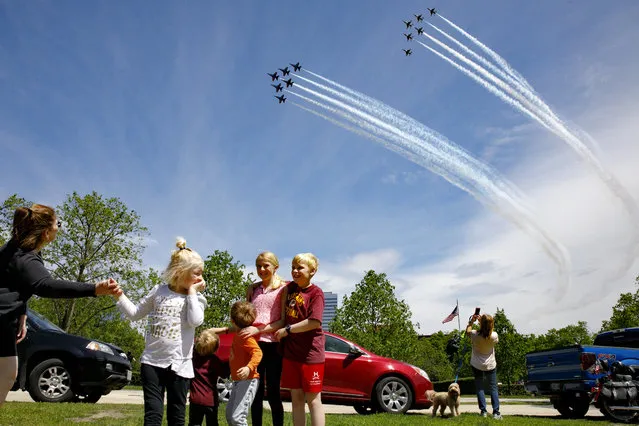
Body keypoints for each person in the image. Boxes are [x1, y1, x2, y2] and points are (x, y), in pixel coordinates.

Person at [0, 204, 120, 406]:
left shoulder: (16, 249)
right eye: (58, 224)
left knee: (7, 374)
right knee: (5, 375)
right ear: (46, 232)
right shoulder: (25, 258)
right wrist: (94, 289)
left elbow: (15, 284)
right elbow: (45, 286)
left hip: (5, 321)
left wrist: (22, 313)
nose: (59, 227)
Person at [114, 238, 207, 426]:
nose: (200, 279)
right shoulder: (158, 291)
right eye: (196, 274)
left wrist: (192, 293)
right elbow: (135, 314)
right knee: (153, 415)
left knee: (176, 417)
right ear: (180, 272)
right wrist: (119, 295)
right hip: (152, 362)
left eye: (201, 274)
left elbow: (195, 320)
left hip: (180, 366)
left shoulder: (197, 299)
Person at [274, 253, 325, 426]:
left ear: (313, 271)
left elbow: (314, 322)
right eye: (293, 268)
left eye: (300, 268)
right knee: (296, 400)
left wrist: (287, 330)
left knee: (313, 400)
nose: (295, 271)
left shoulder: (316, 293)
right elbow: (273, 280)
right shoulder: (290, 289)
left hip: (310, 355)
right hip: (291, 355)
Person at [243, 251, 286, 426]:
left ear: (275, 267)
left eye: (266, 265)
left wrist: (258, 330)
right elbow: (246, 316)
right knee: (255, 392)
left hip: (273, 345)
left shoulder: (284, 288)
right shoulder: (253, 289)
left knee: (274, 392)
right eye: (258, 266)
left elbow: (282, 320)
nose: (262, 269)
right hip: (254, 345)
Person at [226, 301, 263, 426]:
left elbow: (258, 353)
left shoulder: (246, 337)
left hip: (249, 380)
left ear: (232, 320)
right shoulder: (238, 333)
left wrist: (249, 367)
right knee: (230, 416)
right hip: (238, 381)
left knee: (237, 418)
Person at [189, 329, 229, 426]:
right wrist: (229, 362)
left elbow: (203, 333)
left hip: (195, 399)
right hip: (210, 400)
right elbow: (224, 374)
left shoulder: (193, 356)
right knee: (212, 423)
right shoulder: (214, 361)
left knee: (194, 423)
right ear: (215, 348)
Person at [466, 313, 502, 420]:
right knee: (493, 388)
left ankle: (483, 411)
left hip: (477, 364)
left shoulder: (474, 334)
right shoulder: (494, 336)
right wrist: (483, 321)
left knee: (480, 388)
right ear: (492, 324)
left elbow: (467, 331)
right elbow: (487, 332)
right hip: (490, 364)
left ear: (481, 323)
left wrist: (472, 321)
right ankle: (496, 413)